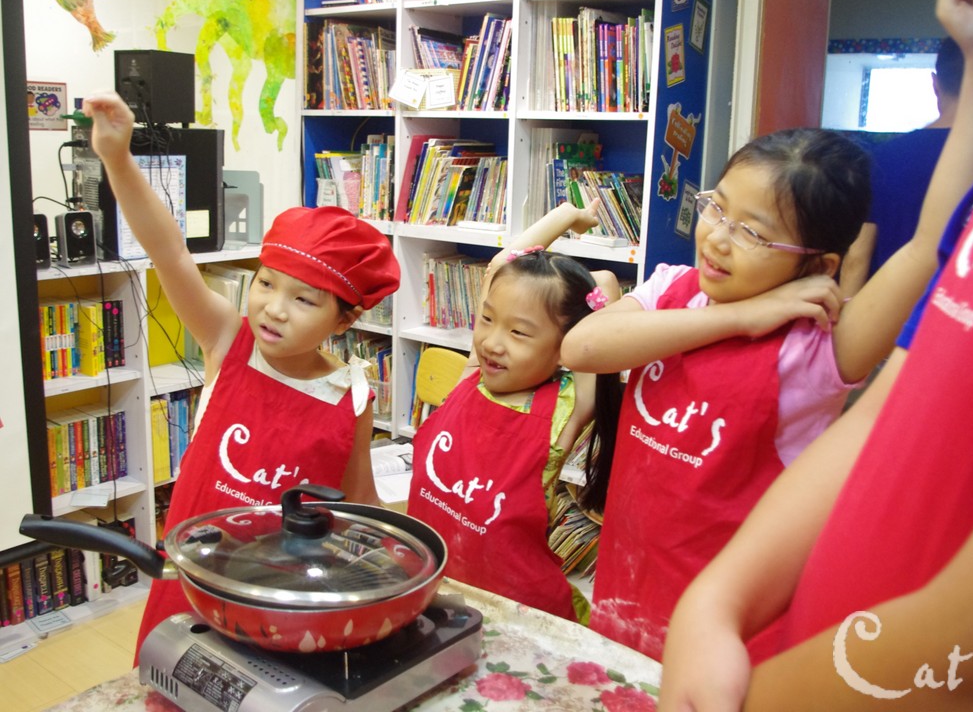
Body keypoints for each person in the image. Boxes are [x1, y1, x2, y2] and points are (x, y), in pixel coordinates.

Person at [559, 0, 973, 660]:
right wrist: (738, 316)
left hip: (726, 633)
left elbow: (930, 244)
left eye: (754, 233)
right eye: (717, 208)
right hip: (625, 586)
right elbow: (582, 348)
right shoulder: (673, 287)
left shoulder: (820, 348)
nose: (717, 237)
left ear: (818, 265)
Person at [81, 91, 401, 659]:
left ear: (344, 319)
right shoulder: (228, 341)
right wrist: (118, 160)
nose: (273, 308)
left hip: (283, 595)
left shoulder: (352, 392)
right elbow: (169, 252)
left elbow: (358, 501)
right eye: (266, 283)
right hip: (193, 578)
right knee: (176, 676)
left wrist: (396, 564)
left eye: (303, 299)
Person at [406, 201, 621, 623]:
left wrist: (577, 290)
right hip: (434, 587)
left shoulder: (569, 408)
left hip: (515, 610)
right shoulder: (472, 376)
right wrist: (567, 215)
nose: (491, 342)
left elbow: (606, 286)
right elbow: (501, 267)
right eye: (487, 319)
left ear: (566, 346)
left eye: (519, 332)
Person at [841, 36, 973, 297]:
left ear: (935, 84)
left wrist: (846, 311)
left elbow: (857, 256)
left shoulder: (883, 158)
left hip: (893, 312)